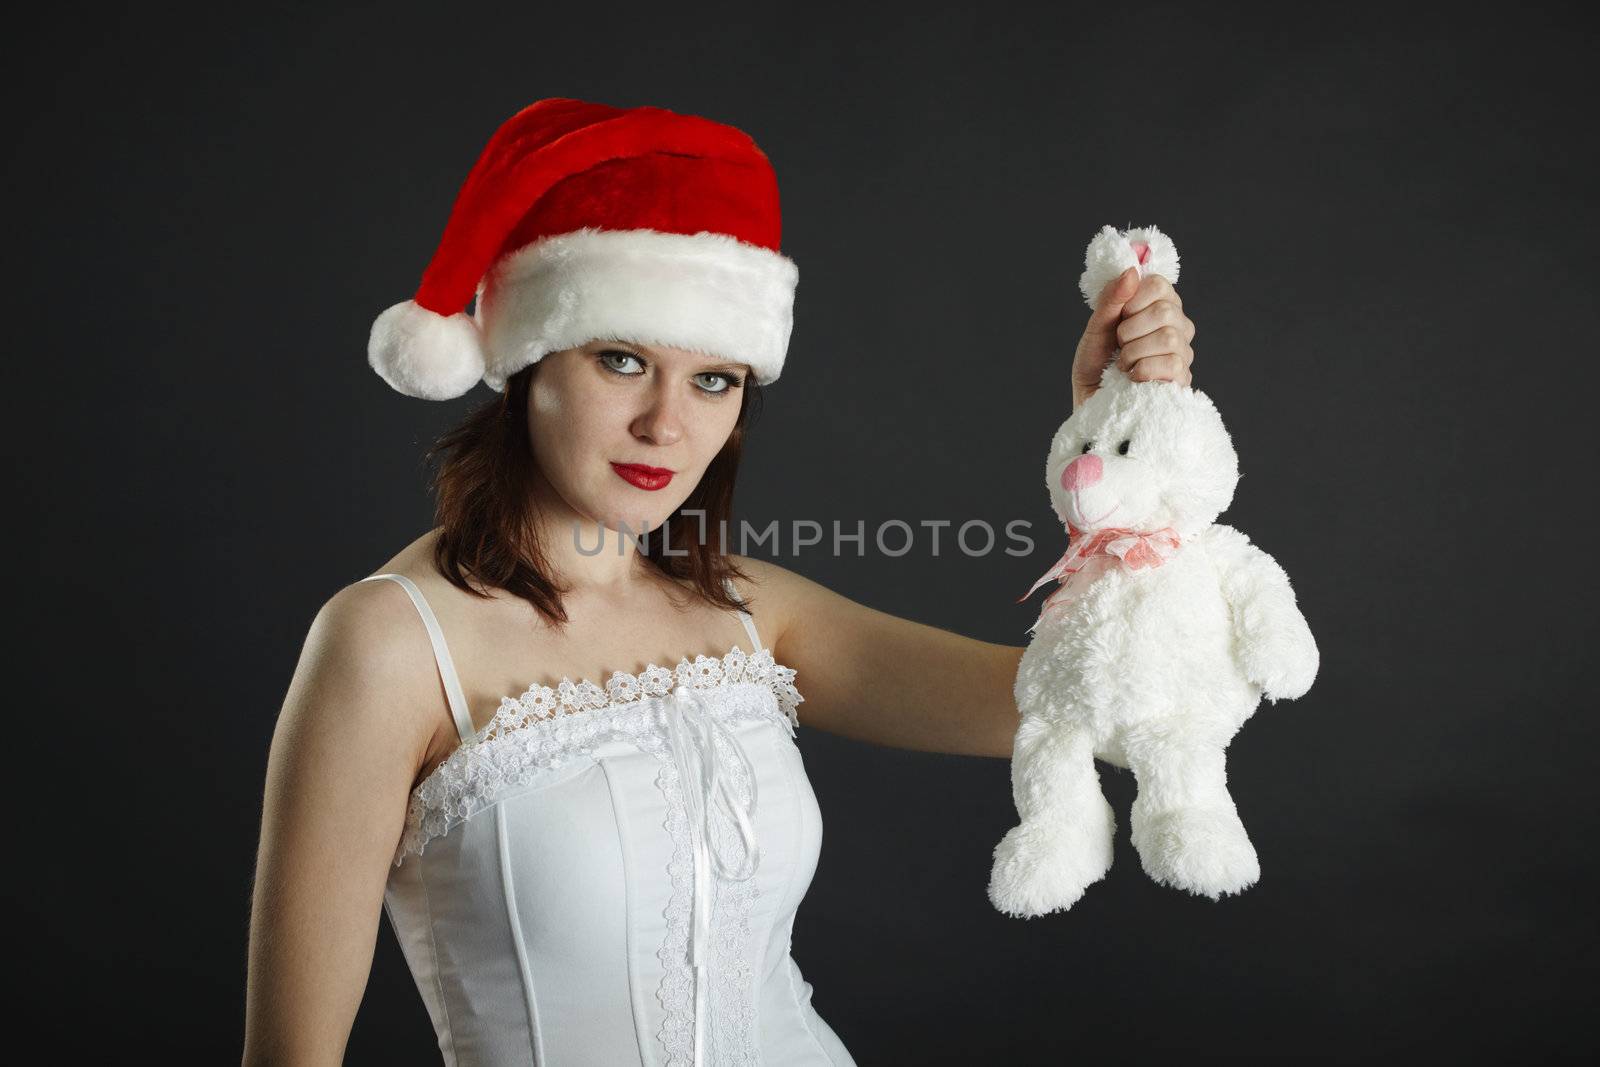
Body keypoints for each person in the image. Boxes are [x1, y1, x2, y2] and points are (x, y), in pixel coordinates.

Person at [242, 98, 1196, 1067]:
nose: (667, 423)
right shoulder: (389, 642)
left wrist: (1118, 445)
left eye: (713, 379)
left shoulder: (749, 613)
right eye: (621, 360)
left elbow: (1084, 701)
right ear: (525, 363)